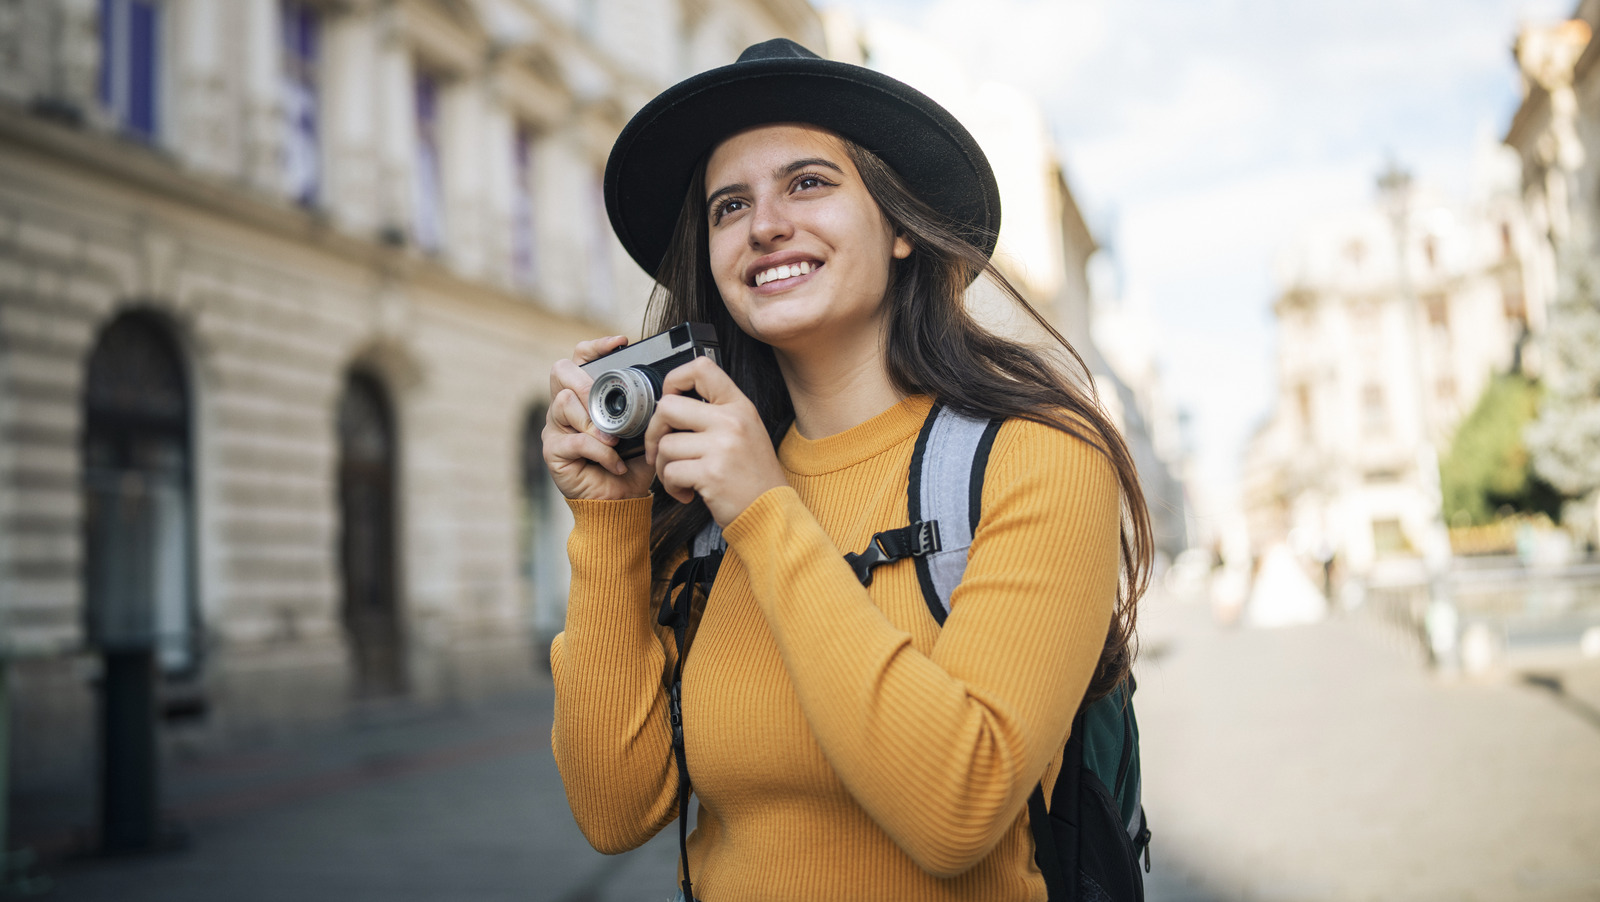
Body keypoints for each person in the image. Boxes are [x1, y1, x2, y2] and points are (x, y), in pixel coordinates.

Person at [545, 38, 1152, 902]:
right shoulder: (700, 496)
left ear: (902, 227)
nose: (764, 226)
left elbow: (961, 806)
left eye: (809, 183)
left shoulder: (1036, 453)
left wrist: (766, 508)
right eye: (728, 206)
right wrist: (609, 520)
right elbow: (613, 811)